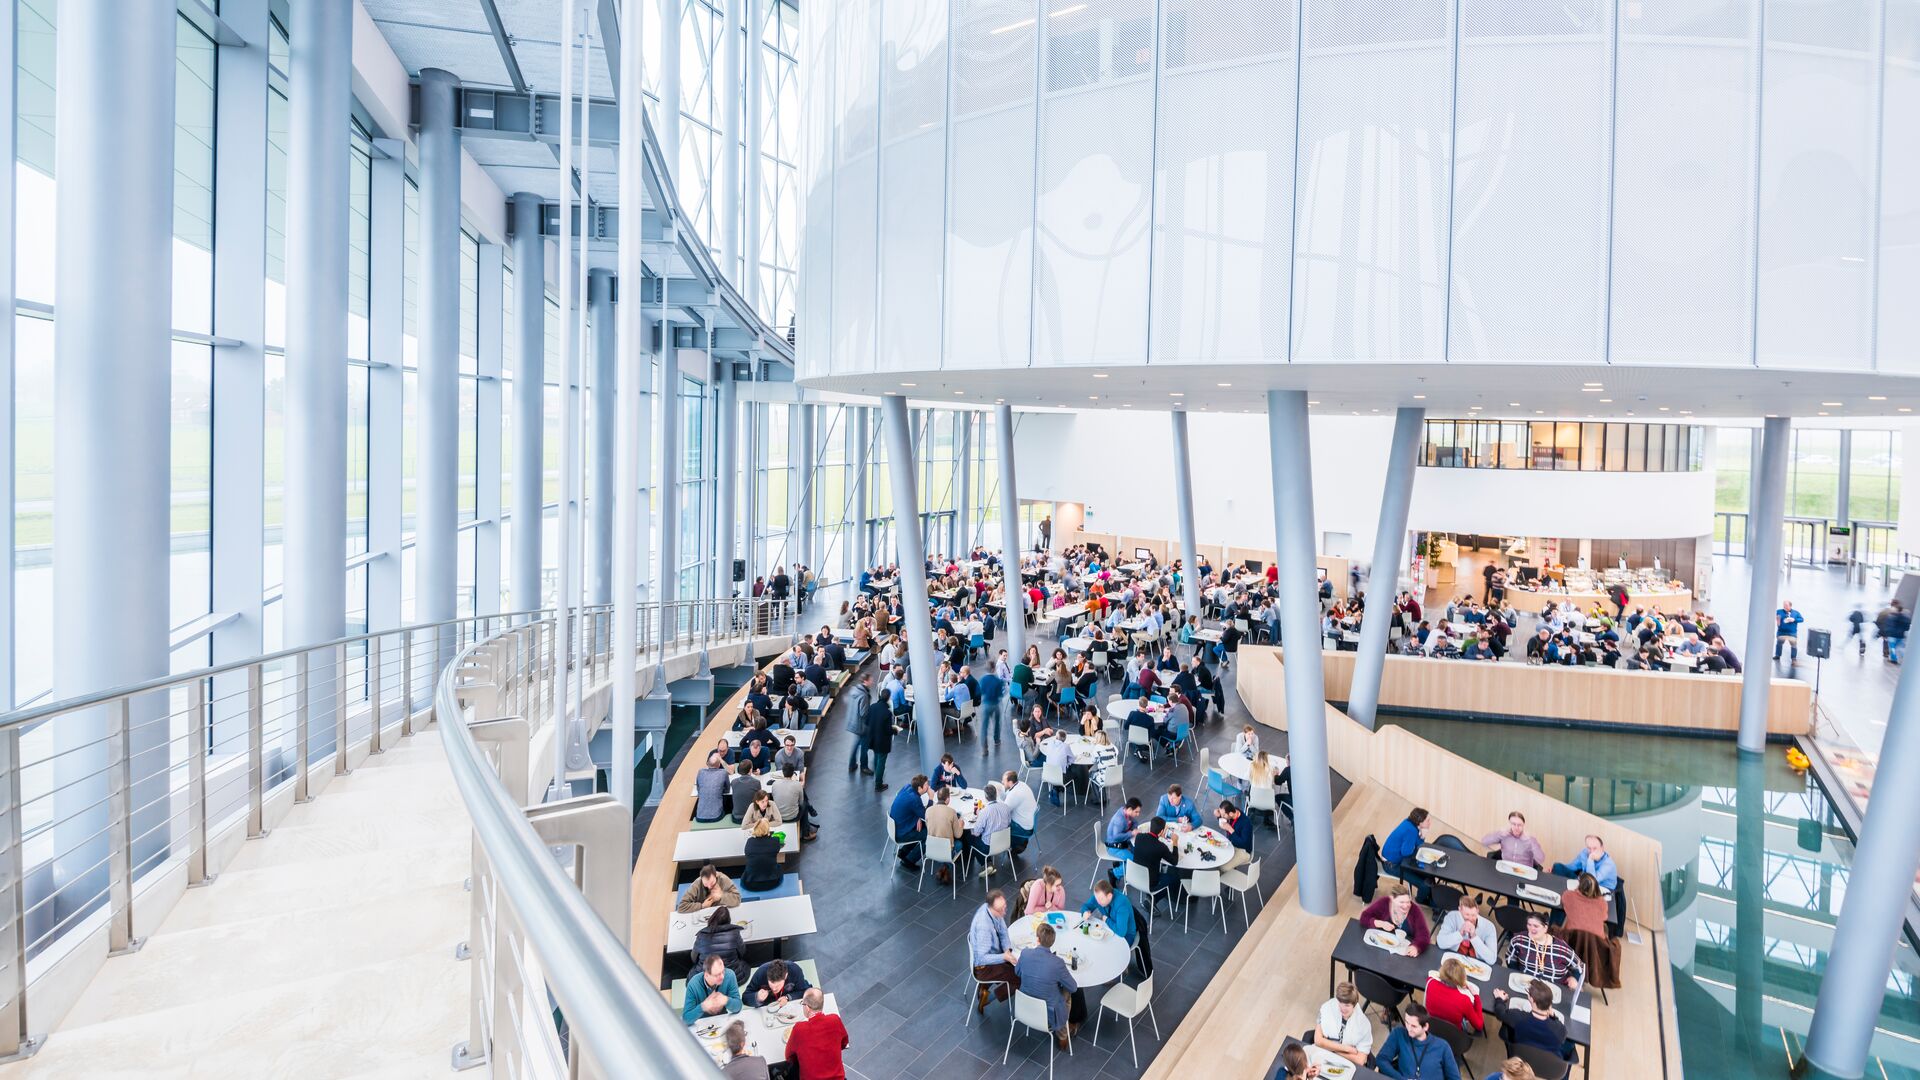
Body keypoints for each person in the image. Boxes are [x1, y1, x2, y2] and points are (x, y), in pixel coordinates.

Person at [1015, 922, 1084, 1050]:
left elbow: (1017, 972)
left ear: (1037, 939)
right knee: (1067, 993)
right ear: (1052, 942)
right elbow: (1073, 987)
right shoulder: (1057, 963)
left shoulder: (1025, 953)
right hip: (1048, 1012)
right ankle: (1063, 1036)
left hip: (1024, 1005)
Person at [1374, 1003, 1460, 1080]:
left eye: (1414, 1026)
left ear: (1425, 1027)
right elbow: (1381, 1059)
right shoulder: (1399, 1034)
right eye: (1407, 1022)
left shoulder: (1442, 1047)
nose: (1408, 1028)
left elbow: (1455, 1078)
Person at [969, 890, 1022, 1012]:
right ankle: (987, 999)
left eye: (1005, 907)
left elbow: (1003, 931)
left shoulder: (991, 910)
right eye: (1000, 910)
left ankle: (984, 986)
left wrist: (1007, 950)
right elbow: (981, 958)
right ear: (991, 907)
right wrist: (1004, 957)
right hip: (983, 968)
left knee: (1014, 963)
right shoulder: (984, 927)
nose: (1004, 912)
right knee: (1019, 977)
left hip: (995, 954)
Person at [1503, 913, 1585, 991]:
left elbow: (1580, 966)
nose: (1531, 929)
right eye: (1529, 925)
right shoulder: (1518, 940)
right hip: (1525, 985)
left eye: (1536, 926)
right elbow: (1510, 957)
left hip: (1553, 989)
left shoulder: (1562, 949)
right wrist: (1516, 974)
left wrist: (1574, 978)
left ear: (1545, 928)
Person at [1491, 979, 1569, 1060]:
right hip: (1546, 1064)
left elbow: (1500, 1013)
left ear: (1531, 999)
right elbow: (1563, 1036)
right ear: (1550, 1004)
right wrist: (1553, 1017)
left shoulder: (1518, 1017)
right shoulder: (1559, 1030)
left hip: (1520, 1059)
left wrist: (1499, 999)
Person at [782, 988, 849, 1079]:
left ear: (807, 1007)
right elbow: (844, 1043)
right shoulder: (835, 1020)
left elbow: (789, 1057)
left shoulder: (799, 1029)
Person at [1359, 885, 1431, 957]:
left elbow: (1424, 934)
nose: (1406, 906)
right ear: (1392, 899)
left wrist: (1416, 947)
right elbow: (1364, 917)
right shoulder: (1384, 902)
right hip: (1380, 948)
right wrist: (1381, 924)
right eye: (1401, 902)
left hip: (1404, 951)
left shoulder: (1415, 910)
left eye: (1408, 902)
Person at [1312, 982, 1374, 1066]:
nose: (1342, 1008)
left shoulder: (1364, 1025)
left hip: (1348, 1064)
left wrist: (1329, 1047)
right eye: (1340, 1003)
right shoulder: (1327, 1008)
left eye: (1347, 1005)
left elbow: (1360, 1060)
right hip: (1326, 1057)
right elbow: (1318, 1041)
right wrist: (1347, 1049)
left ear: (1354, 1005)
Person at [1424, 956, 1486, 1036]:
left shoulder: (1430, 982)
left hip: (1431, 1029)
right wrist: (1476, 996)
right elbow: (1479, 1025)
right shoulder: (1464, 1000)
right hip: (1453, 1036)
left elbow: (1433, 975)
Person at [1382, 807, 1434, 902]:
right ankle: (1420, 900)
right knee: (1424, 885)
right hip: (1392, 865)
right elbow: (1406, 852)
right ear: (1420, 822)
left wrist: (1422, 836)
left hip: (1398, 860)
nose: (1430, 823)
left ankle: (1429, 894)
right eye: (1428, 820)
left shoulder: (1409, 823)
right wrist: (1419, 839)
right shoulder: (1411, 830)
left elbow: (1417, 844)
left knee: (1428, 875)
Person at [1435, 894, 1499, 961]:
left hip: (1476, 962)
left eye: (1473, 915)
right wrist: (1460, 933)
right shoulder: (1451, 917)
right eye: (1467, 915)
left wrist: (1474, 937)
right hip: (1453, 957)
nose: (1470, 918)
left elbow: (1492, 959)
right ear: (1460, 910)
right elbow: (1440, 942)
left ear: (1477, 911)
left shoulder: (1489, 927)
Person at [682, 953, 743, 1023]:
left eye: (723, 971)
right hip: (702, 1022)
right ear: (706, 975)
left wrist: (726, 1000)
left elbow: (738, 1007)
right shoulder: (693, 984)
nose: (722, 976)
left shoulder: (729, 975)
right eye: (717, 975)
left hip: (722, 1020)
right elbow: (686, 1019)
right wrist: (703, 1006)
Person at [969, 783, 1015, 872]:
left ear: (985, 797)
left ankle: (986, 863)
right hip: (1004, 842)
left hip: (988, 847)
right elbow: (1009, 822)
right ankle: (989, 863)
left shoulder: (984, 812)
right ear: (996, 795)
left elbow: (977, 833)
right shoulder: (1005, 807)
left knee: (970, 837)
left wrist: (978, 817)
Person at [924, 787, 965, 886]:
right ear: (947, 799)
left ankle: (943, 869)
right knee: (959, 844)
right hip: (946, 851)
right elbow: (958, 835)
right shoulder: (951, 812)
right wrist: (961, 825)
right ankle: (945, 868)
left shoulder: (928, 810)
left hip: (931, 849)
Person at [1550, 834, 1619, 891]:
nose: (1591, 851)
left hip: (1599, 889)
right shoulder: (1585, 852)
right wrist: (1556, 869)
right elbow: (1573, 866)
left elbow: (1592, 880)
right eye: (1589, 848)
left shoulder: (1608, 864)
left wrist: (1590, 859)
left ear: (1602, 848)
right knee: (1557, 867)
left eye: (1595, 848)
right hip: (1583, 881)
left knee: (1584, 885)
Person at [1080, 877, 1137, 946]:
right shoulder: (1099, 897)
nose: (1098, 902)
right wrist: (1085, 912)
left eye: (1101, 899)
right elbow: (1085, 906)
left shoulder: (1122, 904)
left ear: (1109, 896)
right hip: (1110, 928)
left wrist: (1106, 920)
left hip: (1126, 935)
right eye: (1096, 898)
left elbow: (1121, 932)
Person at [1480, 811, 1546, 869]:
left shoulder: (1530, 839)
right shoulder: (1503, 835)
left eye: (1519, 825)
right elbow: (1484, 842)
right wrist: (1500, 834)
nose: (1516, 828)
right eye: (1514, 824)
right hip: (1506, 868)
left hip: (1524, 871)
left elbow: (1541, 859)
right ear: (1509, 824)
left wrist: (1530, 842)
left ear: (1523, 825)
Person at [888, 776, 928, 870]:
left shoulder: (907, 787)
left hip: (895, 827)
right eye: (926, 785)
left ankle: (904, 851)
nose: (928, 786)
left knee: (922, 827)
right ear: (919, 788)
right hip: (901, 833)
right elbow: (927, 816)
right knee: (929, 835)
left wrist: (917, 817)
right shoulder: (915, 799)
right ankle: (909, 860)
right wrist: (930, 798)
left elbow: (912, 808)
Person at [741, 957, 814, 1008]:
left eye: (778, 985)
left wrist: (788, 997)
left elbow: (805, 991)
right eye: (771, 984)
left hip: (788, 1006)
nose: (774, 989)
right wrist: (757, 997)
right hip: (766, 1007)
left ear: (786, 976)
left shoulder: (794, 970)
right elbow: (745, 998)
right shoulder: (761, 973)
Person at [1560, 871, 1611, 937]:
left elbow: (1564, 899)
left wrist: (1576, 891)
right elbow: (1604, 917)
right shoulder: (1603, 903)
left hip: (1572, 938)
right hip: (1595, 941)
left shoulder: (1569, 895)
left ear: (1579, 885)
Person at [739, 818, 783, 893]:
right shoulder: (775, 841)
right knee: (778, 866)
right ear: (768, 829)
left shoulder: (750, 841)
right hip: (773, 882)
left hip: (749, 884)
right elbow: (776, 848)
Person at [676, 864, 741, 913]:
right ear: (701, 879)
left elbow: (737, 899)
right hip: (702, 914)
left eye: (712, 883)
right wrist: (702, 906)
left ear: (716, 875)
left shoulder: (723, 879)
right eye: (706, 884)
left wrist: (722, 896)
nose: (709, 887)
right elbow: (681, 907)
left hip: (720, 912)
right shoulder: (696, 884)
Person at [864, 692, 896, 791]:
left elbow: (866, 722)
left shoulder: (872, 707)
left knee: (876, 757)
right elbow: (888, 730)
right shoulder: (887, 713)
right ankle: (878, 784)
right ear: (888, 698)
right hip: (882, 741)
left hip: (873, 739)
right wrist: (895, 730)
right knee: (881, 762)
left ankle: (877, 773)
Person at [1001, 769, 1039, 853]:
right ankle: (1020, 843)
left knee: (998, 824)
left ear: (1010, 782)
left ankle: (1017, 843)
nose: (1002, 782)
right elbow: (1007, 797)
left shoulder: (1015, 794)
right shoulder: (1021, 784)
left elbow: (1003, 811)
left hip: (1023, 829)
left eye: (1004, 781)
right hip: (1029, 823)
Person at [695, 752, 731, 823]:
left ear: (707, 764)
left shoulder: (700, 772)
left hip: (699, 816)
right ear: (719, 764)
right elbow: (727, 790)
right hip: (716, 816)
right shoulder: (723, 772)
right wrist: (719, 789)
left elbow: (698, 790)